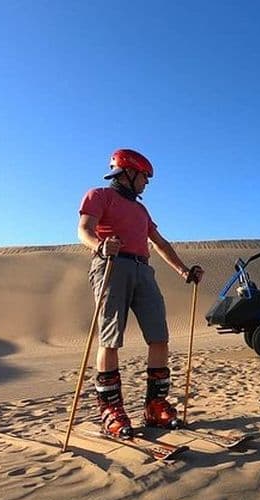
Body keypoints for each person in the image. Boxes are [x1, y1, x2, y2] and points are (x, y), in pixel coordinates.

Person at [77, 148, 204, 437]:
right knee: (110, 338)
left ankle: (155, 406)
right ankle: (111, 410)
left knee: (159, 336)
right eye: (145, 177)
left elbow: (160, 243)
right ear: (129, 172)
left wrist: (184, 271)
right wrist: (99, 245)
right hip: (111, 266)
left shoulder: (141, 210)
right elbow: (84, 229)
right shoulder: (99, 195)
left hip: (142, 269)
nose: (147, 183)